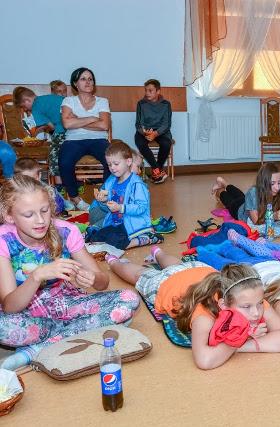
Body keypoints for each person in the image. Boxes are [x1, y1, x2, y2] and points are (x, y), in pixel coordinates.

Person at [0, 175, 139, 369]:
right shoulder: (4, 239)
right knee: (3, 327)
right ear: (9, 216)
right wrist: (37, 276)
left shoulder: (66, 231)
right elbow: (9, 306)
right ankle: (85, 328)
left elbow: (103, 282)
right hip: (26, 311)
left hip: (66, 304)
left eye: (44, 210)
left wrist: (92, 278)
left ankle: (35, 350)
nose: (40, 220)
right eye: (28, 215)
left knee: (129, 299)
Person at [108, 251, 280, 370]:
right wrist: (239, 338)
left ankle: (158, 252)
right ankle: (113, 261)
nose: (256, 313)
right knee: (140, 274)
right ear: (223, 305)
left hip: (200, 269)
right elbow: (205, 361)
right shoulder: (204, 315)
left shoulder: (249, 296)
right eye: (246, 307)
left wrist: (242, 344)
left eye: (259, 304)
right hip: (165, 284)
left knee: (177, 265)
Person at [85, 142, 159, 250]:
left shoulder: (137, 184)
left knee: (116, 241)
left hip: (132, 224)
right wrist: (104, 201)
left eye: (116, 164)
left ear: (128, 162)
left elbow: (141, 207)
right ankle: (123, 239)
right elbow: (107, 209)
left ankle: (146, 238)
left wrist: (121, 207)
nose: (112, 168)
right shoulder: (112, 183)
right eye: (109, 164)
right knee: (95, 238)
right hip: (115, 223)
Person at [60, 67, 111, 210]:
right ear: (75, 83)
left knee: (112, 159)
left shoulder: (102, 101)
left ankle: (104, 196)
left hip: (99, 140)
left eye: (90, 79)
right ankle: (75, 199)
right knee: (64, 162)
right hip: (73, 140)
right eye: (83, 79)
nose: (88, 82)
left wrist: (78, 120)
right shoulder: (68, 101)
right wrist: (92, 118)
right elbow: (67, 124)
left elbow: (104, 125)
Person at [212, 162, 280, 224]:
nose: (277, 187)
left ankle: (224, 183)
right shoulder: (253, 193)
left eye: (279, 183)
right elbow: (256, 221)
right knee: (228, 199)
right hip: (238, 210)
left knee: (241, 195)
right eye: (272, 184)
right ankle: (219, 189)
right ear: (263, 183)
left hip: (247, 202)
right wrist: (273, 216)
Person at [134, 79, 172, 184]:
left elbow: (166, 124)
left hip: (161, 131)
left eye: (150, 90)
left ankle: (157, 171)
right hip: (146, 131)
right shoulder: (141, 104)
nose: (147, 93)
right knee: (139, 141)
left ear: (158, 91)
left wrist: (155, 133)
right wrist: (145, 132)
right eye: (146, 90)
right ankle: (157, 170)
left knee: (166, 143)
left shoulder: (166, 104)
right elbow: (138, 123)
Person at [32, 82, 68, 187]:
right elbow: (51, 127)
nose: (62, 94)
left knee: (58, 156)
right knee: (56, 155)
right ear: (53, 93)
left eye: (64, 91)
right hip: (58, 135)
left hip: (67, 135)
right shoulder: (49, 106)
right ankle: (59, 185)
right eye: (59, 92)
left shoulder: (68, 104)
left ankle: (63, 184)